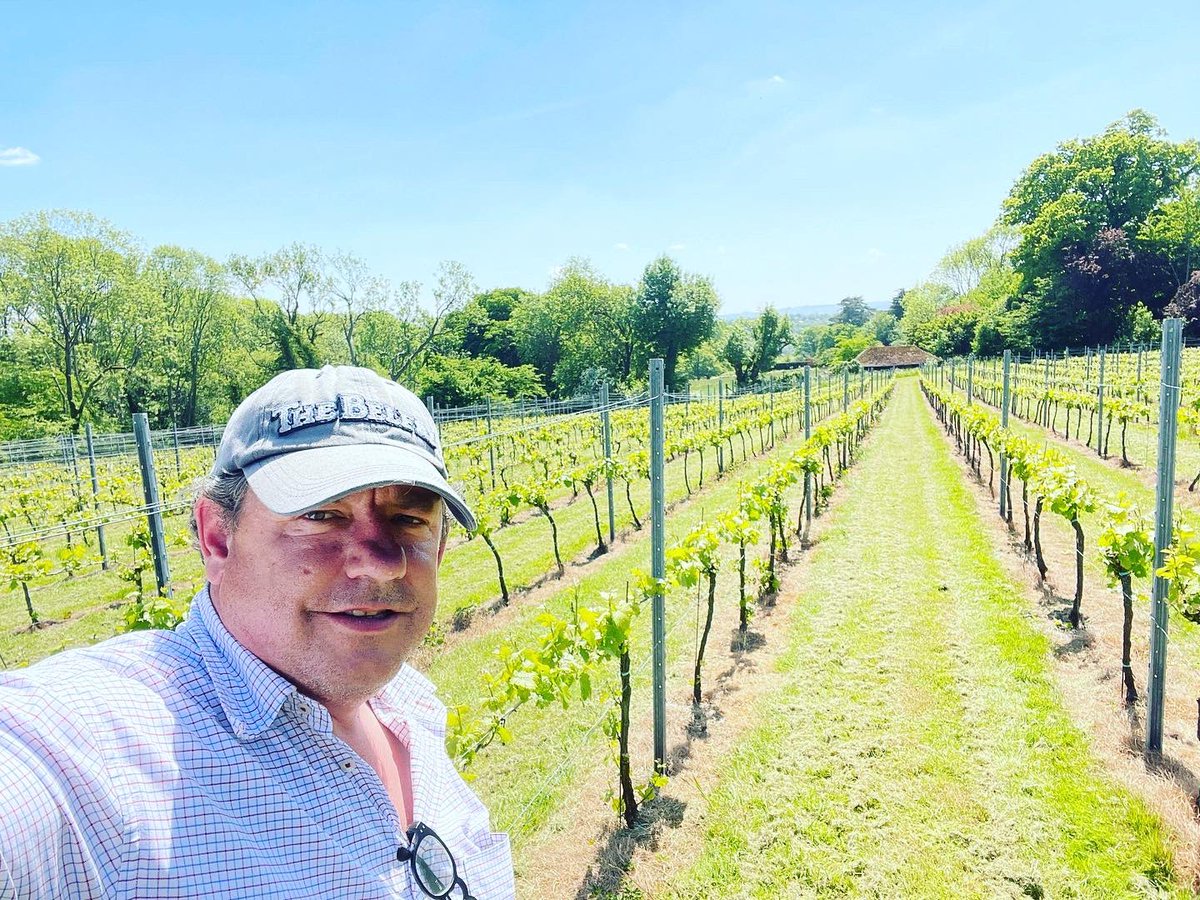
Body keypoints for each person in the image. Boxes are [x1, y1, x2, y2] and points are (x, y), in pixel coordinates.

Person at [0, 366, 515, 899]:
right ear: (217, 539)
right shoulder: (101, 754)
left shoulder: (411, 705)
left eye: (409, 519)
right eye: (320, 515)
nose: (382, 563)